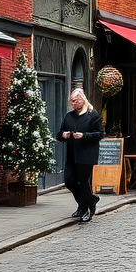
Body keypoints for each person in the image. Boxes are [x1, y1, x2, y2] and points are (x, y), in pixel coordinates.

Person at [56, 88, 103, 223]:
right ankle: (89, 200)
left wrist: (84, 136)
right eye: (72, 101)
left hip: (87, 154)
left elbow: (100, 134)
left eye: (76, 101)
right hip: (72, 154)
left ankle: (86, 208)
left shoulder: (92, 115)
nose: (73, 104)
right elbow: (59, 134)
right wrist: (63, 135)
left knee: (83, 181)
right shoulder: (69, 116)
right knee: (69, 181)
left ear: (82, 99)